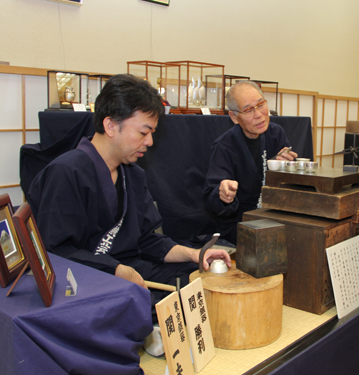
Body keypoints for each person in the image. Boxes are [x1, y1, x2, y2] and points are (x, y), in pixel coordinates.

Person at [28, 74, 231, 354]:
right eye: (143, 132)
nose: (148, 142)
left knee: (194, 279)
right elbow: (55, 251)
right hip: (84, 278)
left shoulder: (132, 174)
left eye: (152, 134)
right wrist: (115, 269)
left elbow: (148, 240)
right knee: (128, 295)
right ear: (111, 125)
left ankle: (151, 329)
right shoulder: (67, 172)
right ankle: (148, 331)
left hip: (130, 268)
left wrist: (194, 254)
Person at [203, 81, 297, 244]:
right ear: (234, 117)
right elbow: (211, 196)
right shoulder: (225, 146)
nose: (259, 114)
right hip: (240, 225)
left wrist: (287, 167)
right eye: (248, 110)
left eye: (261, 105)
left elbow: (288, 186)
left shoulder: (276, 133)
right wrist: (224, 193)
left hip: (273, 216)